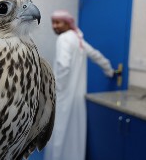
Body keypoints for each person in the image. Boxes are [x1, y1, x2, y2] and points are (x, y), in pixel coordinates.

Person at [45, 10, 115, 160]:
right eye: (53, 22)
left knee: (59, 131)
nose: (54, 26)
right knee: (73, 131)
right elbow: (96, 55)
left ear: (68, 24)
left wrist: (56, 88)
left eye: (58, 22)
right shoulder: (78, 39)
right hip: (76, 97)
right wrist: (109, 70)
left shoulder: (64, 38)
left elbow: (63, 66)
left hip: (63, 95)